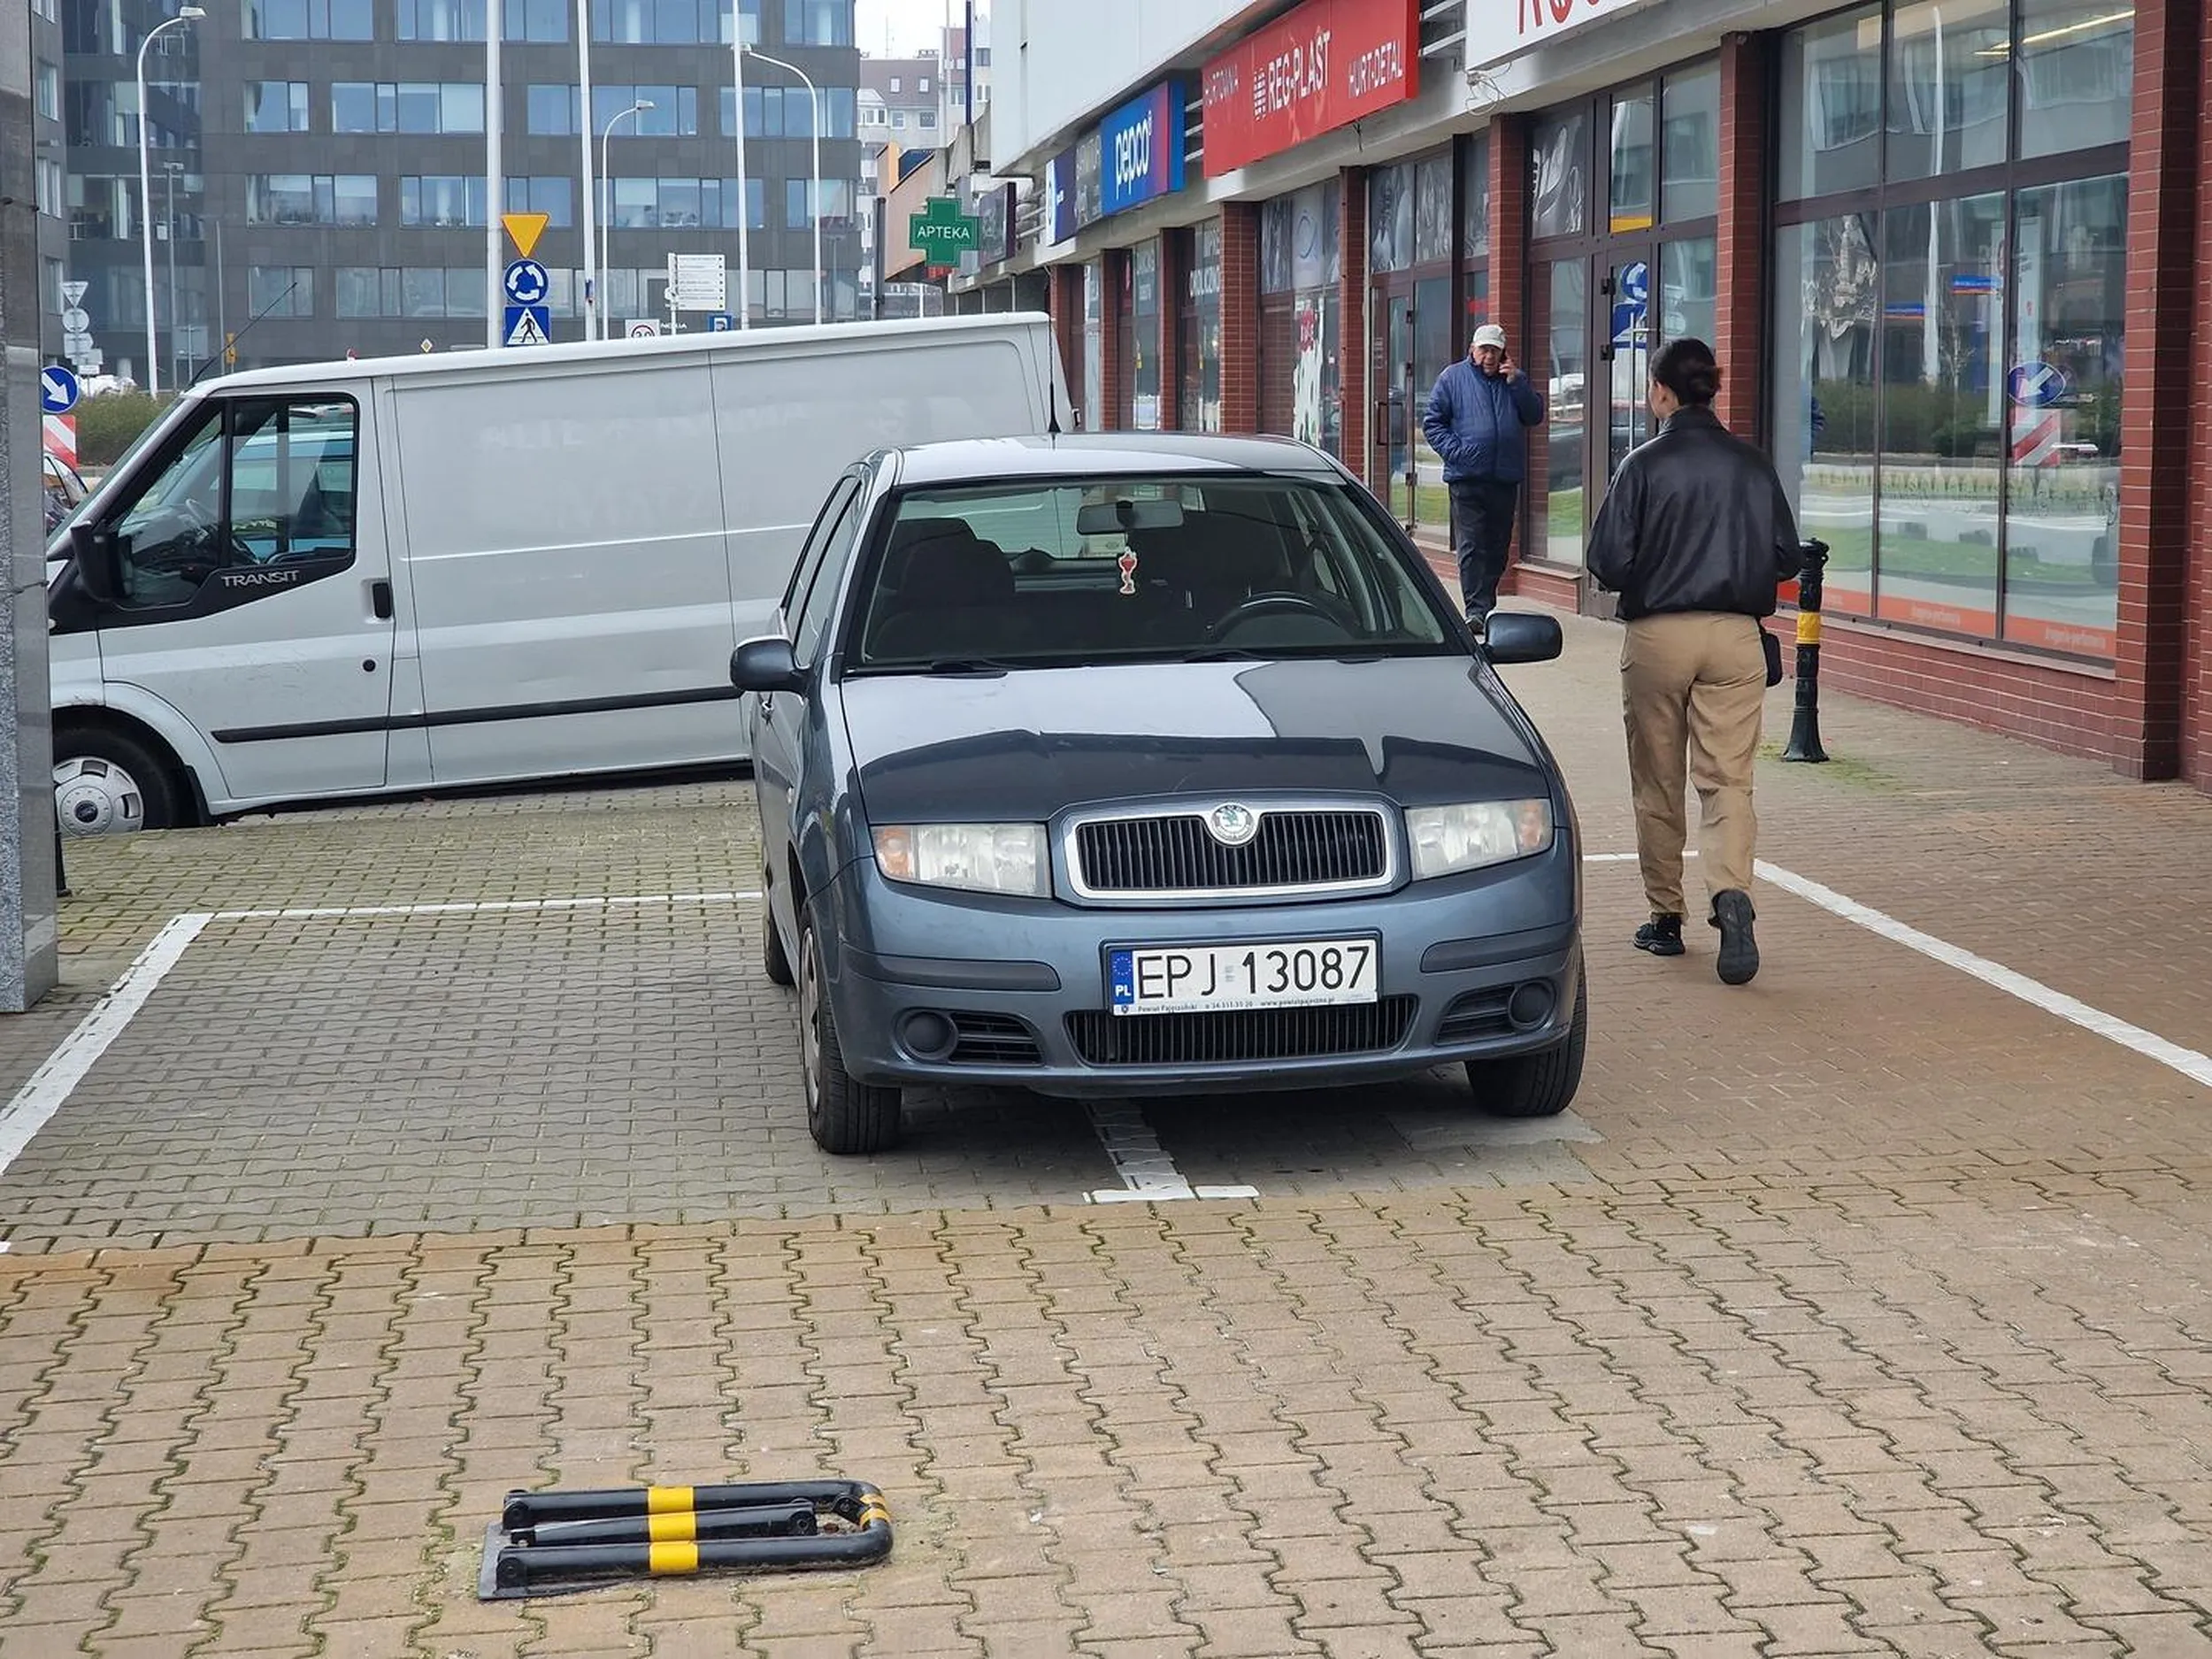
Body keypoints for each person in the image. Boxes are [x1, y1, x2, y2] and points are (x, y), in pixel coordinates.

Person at [1586, 336, 1800, 987]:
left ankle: (1666, 917)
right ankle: (1731, 894)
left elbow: (1607, 561)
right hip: (1736, 636)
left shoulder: (1642, 464)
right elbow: (1787, 556)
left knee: (1657, 780)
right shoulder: (1753, 464)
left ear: (1660, 392)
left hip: (1658, 636)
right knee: (1728, 779)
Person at [1422, 322, 1545, 635]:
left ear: (1503, 353)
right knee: (1473, 544)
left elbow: (1534, 415)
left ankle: (1485, 604)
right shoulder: (1452, 378)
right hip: (1467, 477)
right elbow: (1433, 424)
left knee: (1498, 546)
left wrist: (1517, 383)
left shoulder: (1514, 381)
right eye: (1484, 350)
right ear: (1472, 350)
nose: (1489, 357)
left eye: (1495, 351)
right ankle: (1476, 610)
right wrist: (1458, 453)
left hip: (1504, 477)